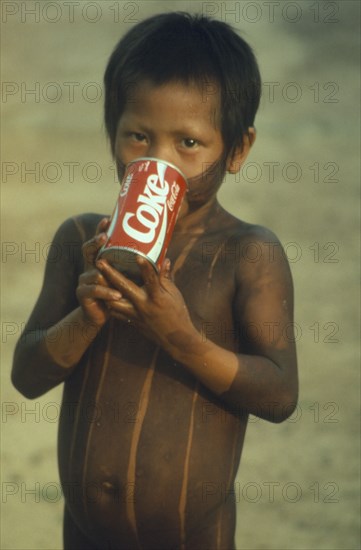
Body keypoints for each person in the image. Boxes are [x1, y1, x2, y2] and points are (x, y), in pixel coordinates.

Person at [12, 12, 298, 550]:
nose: (157, 158)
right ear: (111, 132)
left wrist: (182, 339)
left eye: (188, 143)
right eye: (138, 136)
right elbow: (26, 375)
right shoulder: (81, 241)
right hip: (85, 536)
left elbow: (280, 395)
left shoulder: (248, 254)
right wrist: (85, 317)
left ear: (237, 149)